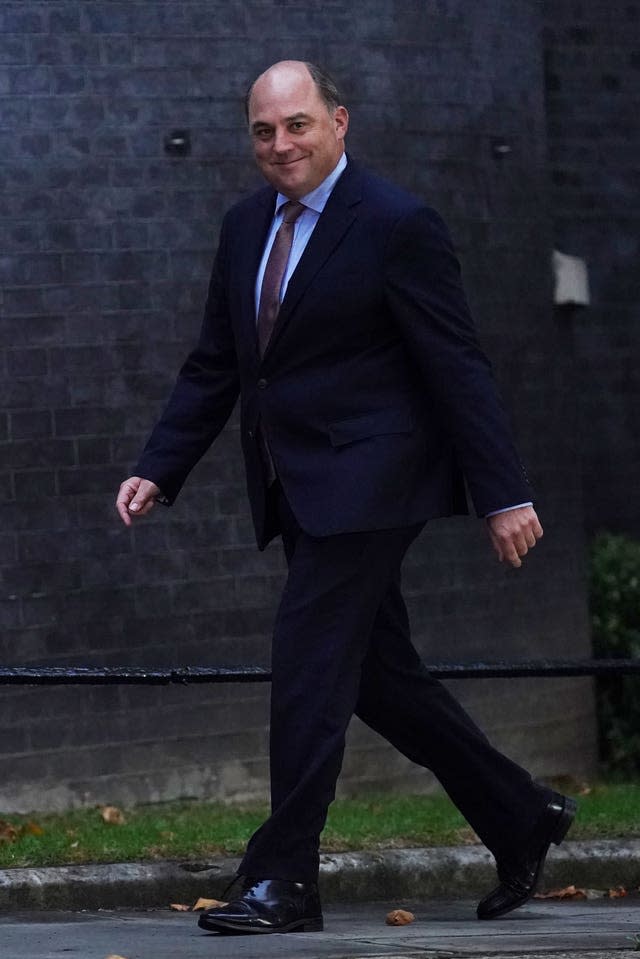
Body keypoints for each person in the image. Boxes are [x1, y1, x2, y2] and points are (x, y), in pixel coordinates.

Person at [116, 60, 576, 935]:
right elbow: (220, 362)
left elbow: (457, 364)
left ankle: (285, 879)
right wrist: (159, 466)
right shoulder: (246, 225)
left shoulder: (397, 222)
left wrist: (503, 493)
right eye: (263, 131)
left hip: (374, 483)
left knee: (309, 665)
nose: (280, 145)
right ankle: (521, 815)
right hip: (299, 486)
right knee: (376, 675)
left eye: (297, 124)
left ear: (338, 123)